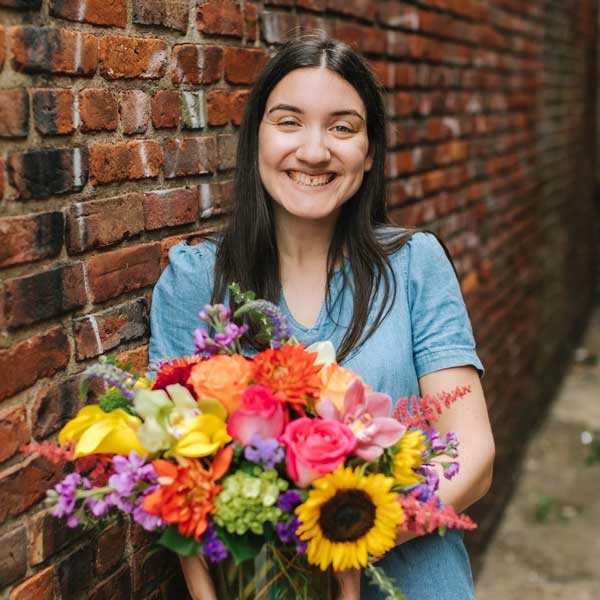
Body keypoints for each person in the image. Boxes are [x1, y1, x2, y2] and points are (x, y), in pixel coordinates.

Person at [149, 35, 495, 600]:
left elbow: (473, 459)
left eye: (342, 127)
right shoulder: (196, 280)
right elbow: (172, 478)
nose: (314, 151)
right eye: (289, 122)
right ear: (255, 137)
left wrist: (345, 543)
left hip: (412, 580)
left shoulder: (413, 266)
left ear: (370, 151)